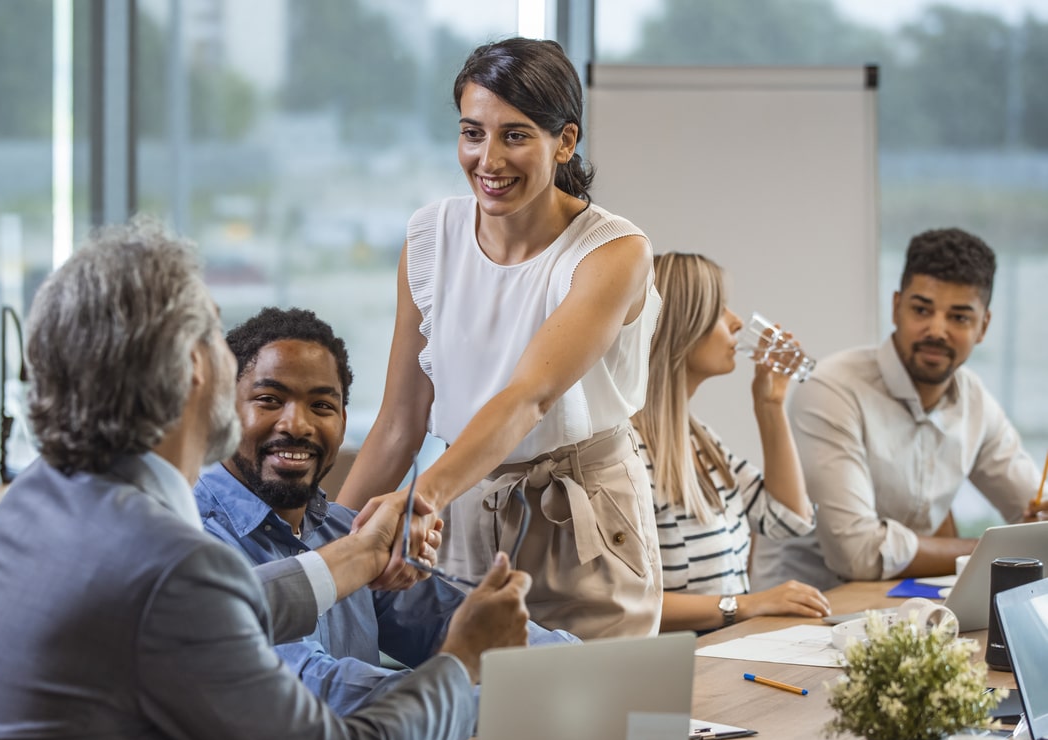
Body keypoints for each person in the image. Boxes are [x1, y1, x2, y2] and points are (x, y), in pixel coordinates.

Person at [0, 219, 532, 740]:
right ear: (193, 366)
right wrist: (462, 662)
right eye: (218, 336)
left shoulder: (37, 498)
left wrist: (356, 557)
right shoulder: (170, 563)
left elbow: (205, 609)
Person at [337, 37, 662, 640]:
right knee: (475, 719)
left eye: (515, 135)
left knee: (589, 723)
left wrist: (421, 498)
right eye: (472, 132)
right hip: (463, 507)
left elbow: (529, 396)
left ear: (564, 141)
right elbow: (400, 423)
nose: (488, 159)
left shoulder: (613, 251)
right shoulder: (432, 235)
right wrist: (327, 545)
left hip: (581, 520)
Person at [195, 307, 578, 715]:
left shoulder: (345, 530)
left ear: (343, 421)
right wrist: (487, 700)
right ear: (222, 412)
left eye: (321, 406)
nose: (297, 425)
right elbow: (314, 689)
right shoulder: (193, 540)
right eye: (269, 400)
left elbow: (448, 621)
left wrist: (581, 669)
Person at [753, 228, 1048, 591]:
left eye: (959, 317)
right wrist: (988, 552)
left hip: (899, 607)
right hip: (795, 619)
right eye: (922, 310)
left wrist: (1037, 526)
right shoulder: (832, 387)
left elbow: (1033, 514)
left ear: (983, 326)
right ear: (896, 307)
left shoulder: (975, 401)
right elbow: (857, 552)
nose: (936, 330)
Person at [629, 253, 830, 631]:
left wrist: (770, 406)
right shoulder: (625, 452)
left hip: (722, 655)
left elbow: (790, 519)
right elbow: (625, 603)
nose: (737, 321)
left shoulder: (701, 441)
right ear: (682, 327)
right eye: (719, 310)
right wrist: (746, 605)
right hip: (679, 668)